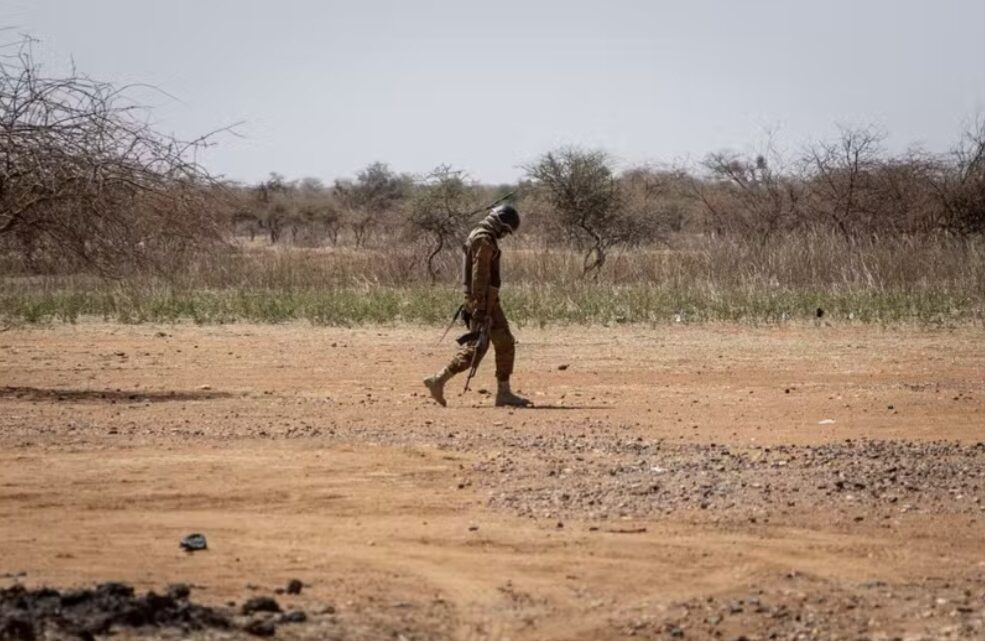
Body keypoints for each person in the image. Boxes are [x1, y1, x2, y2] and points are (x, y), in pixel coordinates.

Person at [424, 204, 532, 408]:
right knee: (480, 347)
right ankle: (439, 380)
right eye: (505, 231)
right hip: (482, 301)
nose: (504, 235)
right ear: (500, 223)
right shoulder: (484, 238)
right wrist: (481, 308)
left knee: (496, 344)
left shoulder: (480, 233)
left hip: (482, 299)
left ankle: (502, 392)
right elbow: (479, 275)